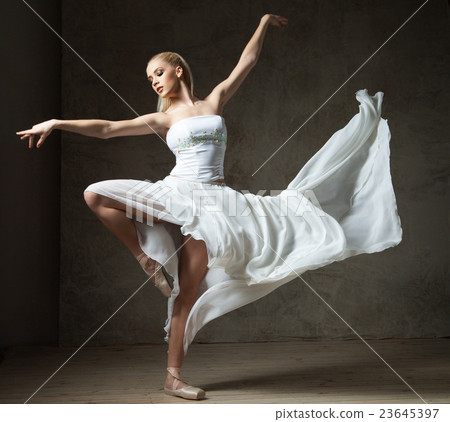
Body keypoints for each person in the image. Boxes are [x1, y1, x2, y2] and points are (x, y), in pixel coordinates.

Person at [16, 13, 402, 401]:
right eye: (149, 77)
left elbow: (246, 63)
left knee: (188, 290)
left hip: (214, 204)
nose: (153, 80)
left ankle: (172, 378)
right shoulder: (162, 118)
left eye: (158, 72)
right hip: (177, 192)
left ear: (178, 70)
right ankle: (146, 259)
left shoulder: (214, 100)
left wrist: (264, 22)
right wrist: (57, 122)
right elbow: (107, 128)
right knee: (95, 193)